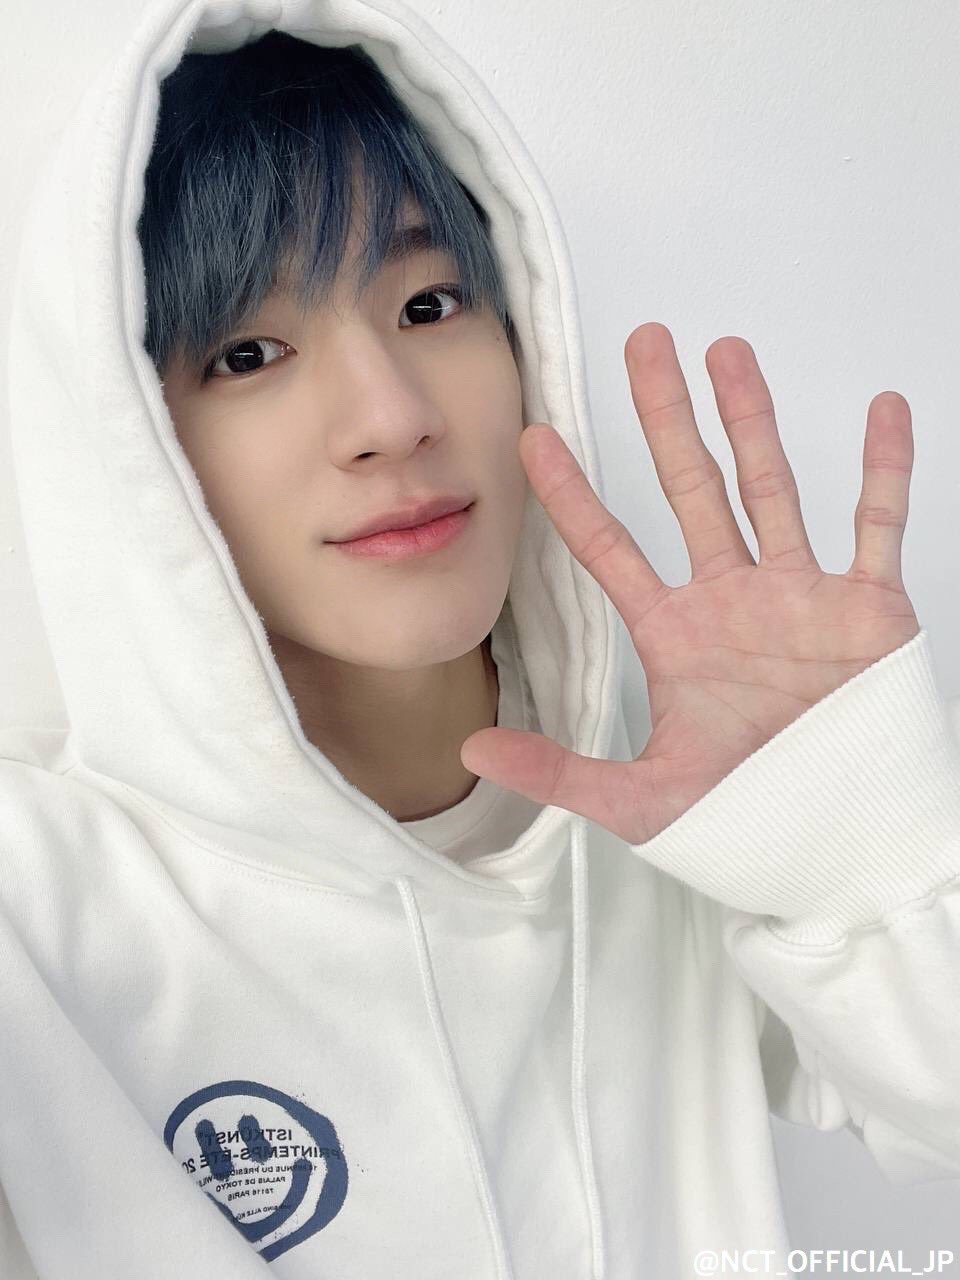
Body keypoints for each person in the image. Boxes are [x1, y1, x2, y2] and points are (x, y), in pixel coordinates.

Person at [1, 1, 958, 1277]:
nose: (390, 416)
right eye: (248, 351)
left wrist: (869, 847)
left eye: (431, 302)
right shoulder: (40, 913)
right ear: (122, 436)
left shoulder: (672, 794)